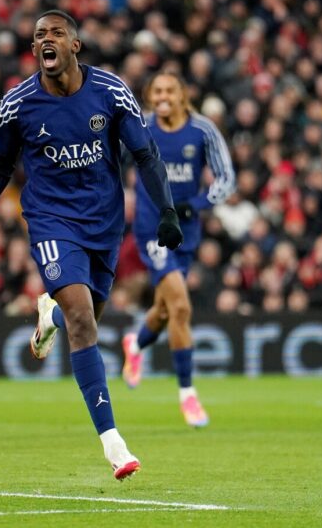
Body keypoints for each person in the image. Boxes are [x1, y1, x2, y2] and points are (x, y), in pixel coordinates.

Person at [0, 10, 183, 481]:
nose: (46, 39)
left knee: (85, 319)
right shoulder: (19, 103)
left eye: (56, 33)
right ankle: (113, 443)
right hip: (51, 221)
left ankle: (49, 315)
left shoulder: (111, 91)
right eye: (39, 35)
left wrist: (166, 209)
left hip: (104, 222)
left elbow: (144, 153)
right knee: (84, 319)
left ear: (75, 45)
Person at [124, 71, 236, 427]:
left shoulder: (202, 130)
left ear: (182, 94)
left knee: (162, 310)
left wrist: (199, 203)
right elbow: (111, 162)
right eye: (156, 90)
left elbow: (227, 178)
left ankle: (136, 343)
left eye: (170, 89)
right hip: (151, 229)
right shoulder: (140, 127)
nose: (163, 96)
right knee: (181, 307)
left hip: (186, 232)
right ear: (149, 95)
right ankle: (188, 395)